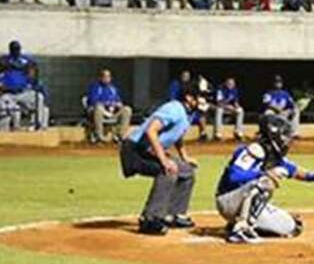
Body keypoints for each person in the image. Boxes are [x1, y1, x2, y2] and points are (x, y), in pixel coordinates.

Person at [215, 114, 314, 243]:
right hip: (227, 200)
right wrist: (264, 173)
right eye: (284, 135)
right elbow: (234, 176)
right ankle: (240, 230)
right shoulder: (255, 150)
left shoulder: (273, 154)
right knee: (267, 182)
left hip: (242, 201)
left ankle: (239, 223)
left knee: (292, 226)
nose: (287, 140)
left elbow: (293, 170)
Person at [119, 81, 201, 235]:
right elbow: (151, 131)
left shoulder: (188, 113)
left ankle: (174, 214)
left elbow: (178, 135)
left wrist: (185, 157)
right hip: (134, 150)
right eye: (201, 97)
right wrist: (164, 159)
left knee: (187, 171)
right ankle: (150, 218)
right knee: (169, 171)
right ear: (189, 98)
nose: (205, 101)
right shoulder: (174, 109)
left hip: (148, 151)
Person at [86, 69, 133, 144]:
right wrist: (107, 104)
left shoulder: (113, 88)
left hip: (112, 112)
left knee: (127, 109)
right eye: (105, 76)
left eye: (108, 76)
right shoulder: (96, 87)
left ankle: (120, 135)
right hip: (99, 112)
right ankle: (100, 136)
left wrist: (118, 104)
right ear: (100, 77)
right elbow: (93, 101)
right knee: (98, 107)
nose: (107, 78)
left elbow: (118, 101)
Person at [213, 76, 245, 141]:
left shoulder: (234, 90)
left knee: (240, 110)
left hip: (230, 108)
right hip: (221, 107)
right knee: (219, 110)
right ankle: (218, 133)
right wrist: (228, 106)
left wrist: (237, 106)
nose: (231, 85)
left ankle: (238, 132)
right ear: (226, 83)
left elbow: (236, 102)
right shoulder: (220, 90)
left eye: (232, 83)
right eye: (229, 83)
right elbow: (219, 103)